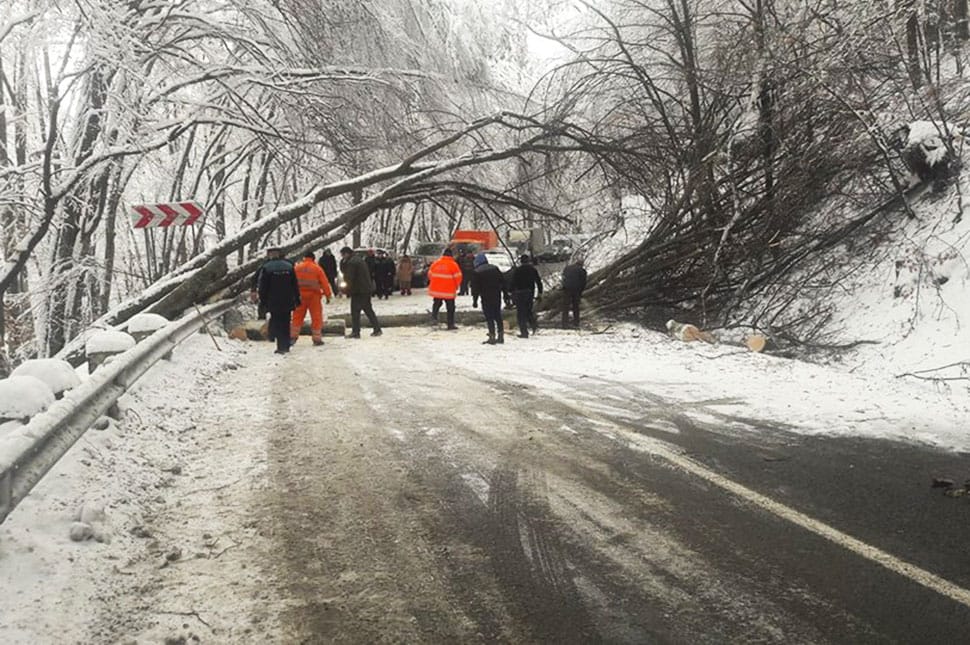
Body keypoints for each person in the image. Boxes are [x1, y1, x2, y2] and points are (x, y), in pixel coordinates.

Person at [258, 247, 300, 354]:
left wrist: (262, 301)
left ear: (270, 255)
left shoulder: (267, 267)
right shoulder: (289, 266)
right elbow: (295, 284)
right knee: (286, 322)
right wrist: (297, 298)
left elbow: (263, 287)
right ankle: (286, 345)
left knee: (277, 321)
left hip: (273, 300)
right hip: (288, 299)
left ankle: (280, 346)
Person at [291, 251, 333, 346]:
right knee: (316, 317)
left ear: (304, 258)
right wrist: (328, 295)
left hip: (299, 296)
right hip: (314, 297)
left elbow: (291, 281)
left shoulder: (297, 268)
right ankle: (317, 339)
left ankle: (293, 336)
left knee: (297, 317)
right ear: (313, 258)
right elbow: (324, 282)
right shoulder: (317, 268)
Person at [339, 246, 382, 338]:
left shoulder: (352, 263)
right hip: (365, 289)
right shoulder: (358, 259)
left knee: (355, 311)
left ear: (346, 254)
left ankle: (356, 332)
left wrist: (345, 290)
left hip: (358, 290)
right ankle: (377, 329)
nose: (342, 257)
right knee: (368, 309)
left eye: (343, 255)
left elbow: (349, 277)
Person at [470, 252, 507, 345]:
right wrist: (505, 294)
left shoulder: (477, 272)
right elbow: (503, 282)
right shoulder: (495, 268)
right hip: (496, 295)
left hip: (486, 296)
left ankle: (492, 336)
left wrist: (475, 300)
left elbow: (475, 288)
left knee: (489, 316)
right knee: (497, 315)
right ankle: (501, 336)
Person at [509, 254, 543, 338]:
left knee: (521, 313)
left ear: (521, 261)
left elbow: (513, 282)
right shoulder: (532, 269)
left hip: (520, 292)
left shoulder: (518, 270)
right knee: (528, 311)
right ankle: (534, 326)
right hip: (530, 292)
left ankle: (524, 332)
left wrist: (510, 291)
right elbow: (538, 282)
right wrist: (540, 293)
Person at [428, 248, 462, 330]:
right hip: (448, 291)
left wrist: (435, 283)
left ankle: (434, 318)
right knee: (450, 308)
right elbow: (458, 277)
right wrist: (456, 286)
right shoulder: (453, 265)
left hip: (437, 290)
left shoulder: (436, 263)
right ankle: (450, 324)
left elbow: (430, 275)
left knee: (436, 304)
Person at [560, 258, 588, 328]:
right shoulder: (582, 271)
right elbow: (583, 283)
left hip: (566, 289)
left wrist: (564, 286)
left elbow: (563, 278)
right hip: (576, 290)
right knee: (576, 307)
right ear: (581, 264)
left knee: (565, 307)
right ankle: (576, 323)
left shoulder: (567, 268)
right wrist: (581, 292)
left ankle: (564, 323)